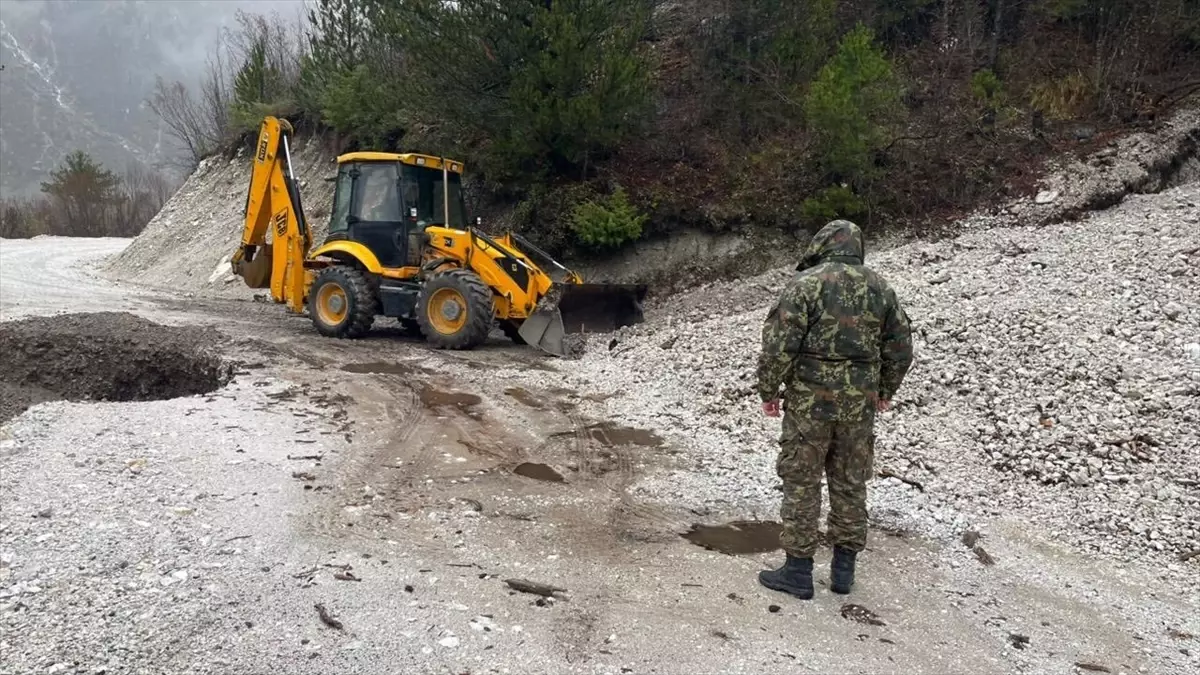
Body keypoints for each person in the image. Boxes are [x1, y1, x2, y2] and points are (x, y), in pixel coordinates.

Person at [755, 219, 913, 600]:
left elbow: (779, 344)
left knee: (802, 482)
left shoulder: (806, 284)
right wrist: (885, 389)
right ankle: (843, 573)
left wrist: (768, 389)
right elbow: (901, 347)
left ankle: (798, 571)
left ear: (823, 243)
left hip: (810, 404)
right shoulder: (881, 288)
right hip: (859, 407)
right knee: (850, 483)